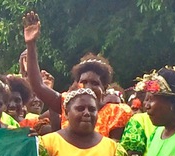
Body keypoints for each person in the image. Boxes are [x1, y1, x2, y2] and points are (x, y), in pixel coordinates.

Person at [23, 12, 132, 140]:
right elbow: (38, 86)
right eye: (84, 82)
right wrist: (31, 44)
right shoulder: (66, 103)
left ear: (105, 87)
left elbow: (113, 150)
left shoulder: (116, 112)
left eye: (95, 83)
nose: (88, 87)